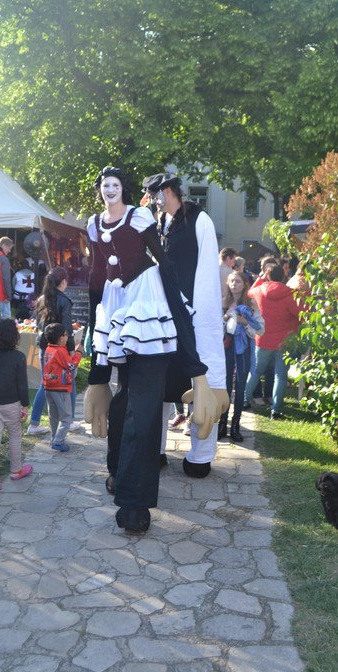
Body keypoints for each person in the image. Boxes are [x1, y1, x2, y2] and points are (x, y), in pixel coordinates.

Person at [85, 166, 216, 534]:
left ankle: (134, 504)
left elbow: (168, 274)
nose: (109, 190)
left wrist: (198, 373)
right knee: (124, 403)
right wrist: (97, 377)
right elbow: (96, 280)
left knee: (141, 411)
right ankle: (118, 475)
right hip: (116, 307)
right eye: (104, 185)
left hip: (150, 311)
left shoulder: (143, 220)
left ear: (123, 189)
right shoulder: (94, 225)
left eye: (115, 184)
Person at [141, 172, 228, 477]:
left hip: (193, 314)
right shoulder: (160, 223)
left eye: (154, 195)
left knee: (202, 379)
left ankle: (200, 455)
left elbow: (206, 272)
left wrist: (200, 315)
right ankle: (155, 450)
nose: (153, 201)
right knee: (159, 381)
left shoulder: (199, 220)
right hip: (162, 312)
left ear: (167, 191)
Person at [26, 266, 82, 435]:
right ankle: (69, 420)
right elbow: (66, 329)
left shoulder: (42, 299)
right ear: (63, 282)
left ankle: (34, 423)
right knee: (69, 381)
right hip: (60, 349)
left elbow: (38, 325)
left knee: (45, 383)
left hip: (45, 346)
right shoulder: (64, 301)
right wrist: (71, 350)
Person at [244, 263, 303, 419]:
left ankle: (244, 400)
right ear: (284, 276)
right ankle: (276, 410)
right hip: (285, 341)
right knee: (281, 376)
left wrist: (260, 279)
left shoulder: (259, 291)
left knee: (255, 372)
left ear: (267, 276)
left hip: (263, 339)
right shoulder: (291, 294)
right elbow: (302, 314)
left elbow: (248, 293)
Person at [0, 318, 32, 494]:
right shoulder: (19, 357)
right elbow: (22, 384)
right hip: (12, 403)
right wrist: (25, 405)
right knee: (15, 435)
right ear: (14, 336)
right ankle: (16, 470)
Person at [219, 271, 264, 441]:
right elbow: (214, 326)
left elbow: (260, 328)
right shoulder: (223, 302)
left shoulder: (250, 304)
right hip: (225, 349)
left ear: (245, 284)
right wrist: (225, 319)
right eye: (231, 281)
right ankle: (222, 423)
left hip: (243, 349)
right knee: (224, 387)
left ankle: (235, 425)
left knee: (239, 387)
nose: (234, 284)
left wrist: (244, 322)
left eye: (237, 281)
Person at [42, 322, 83, 452]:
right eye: (65, 335)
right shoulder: (60, 351)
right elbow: (71, 365)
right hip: (60, 388)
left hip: (49, 387)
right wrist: (78, 353)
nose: (67, 337)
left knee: (53, 416)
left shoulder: (49, 349)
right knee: (66, 417)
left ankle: (54, 438)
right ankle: (58, 442)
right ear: (61, 338)